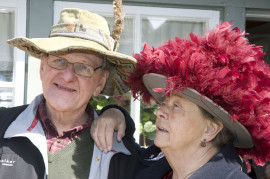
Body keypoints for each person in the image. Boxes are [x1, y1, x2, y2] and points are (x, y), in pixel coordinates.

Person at [92, 22, 270, 178]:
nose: (160, 111)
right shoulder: (153, 170)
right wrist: (114, 113)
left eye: (176, 106)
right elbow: (127, 155)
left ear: (210, 129)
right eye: (164, 103)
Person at [0, 1, 138, 178]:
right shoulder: (3, 126)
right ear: (42, 67)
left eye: (83, 67)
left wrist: (117, 113)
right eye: (58, 60)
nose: (67, 76)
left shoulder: (121, 154)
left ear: (100, 83)